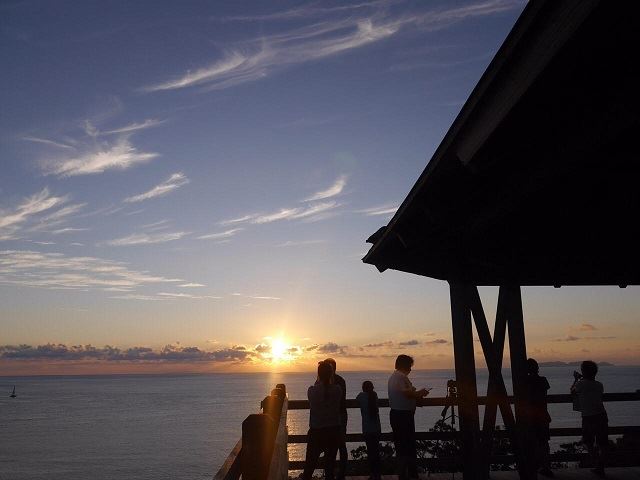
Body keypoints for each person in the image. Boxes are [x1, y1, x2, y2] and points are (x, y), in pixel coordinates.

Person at [388, 354, 429, 480]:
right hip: (403, 416)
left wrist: (414, 392)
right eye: (410, 366)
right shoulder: (400, 377)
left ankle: (406, 473)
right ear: (405, 366)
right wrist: (420, 393)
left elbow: (405, 392)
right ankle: (408, 474)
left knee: (402, 445)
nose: (411, 369)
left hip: (398, 414)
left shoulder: (395, 376)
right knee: (407, 445)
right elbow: (407, 394)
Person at [303, 360, 343, 480]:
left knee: (309, 466)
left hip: (316, 432)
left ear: (318, 375)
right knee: (330, 467)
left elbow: (318, 389)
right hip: (333, 431)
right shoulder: (337, 390)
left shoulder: (312, 391)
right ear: (332, 374)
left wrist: (319, 379)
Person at [571, 360, 608, 477]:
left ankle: (596, 464)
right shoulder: (599, 385)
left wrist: (576, 379)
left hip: (588, 417)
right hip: (601, 415)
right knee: (602, 443)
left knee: (588, 442)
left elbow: (572, 391)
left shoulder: (580, 384)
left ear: (583, 371)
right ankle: (600, 466)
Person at [525, 358, 553, 477]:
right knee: (544, 442)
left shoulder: (525, 381)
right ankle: (545, 466)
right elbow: (544, 396)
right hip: (542, 414)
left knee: (531, 442)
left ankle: (532, 466)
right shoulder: (543, 380)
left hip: (530, 416)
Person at [325, 358, 348, 479]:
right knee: (340, 445)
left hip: (335, 416)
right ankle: (340, 473)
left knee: (332, 446)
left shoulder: (326, 382)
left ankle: (331, 473)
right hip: (340, 415)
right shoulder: (341, 380)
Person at [356, 381, 382, 480]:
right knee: (376, 452)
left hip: (367, 429)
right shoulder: (374, 396)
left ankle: (372, 474)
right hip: (376, 428)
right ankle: (378, 474)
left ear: (363, 388)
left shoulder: (361, 396)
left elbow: (356, 399)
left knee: (371, 453)